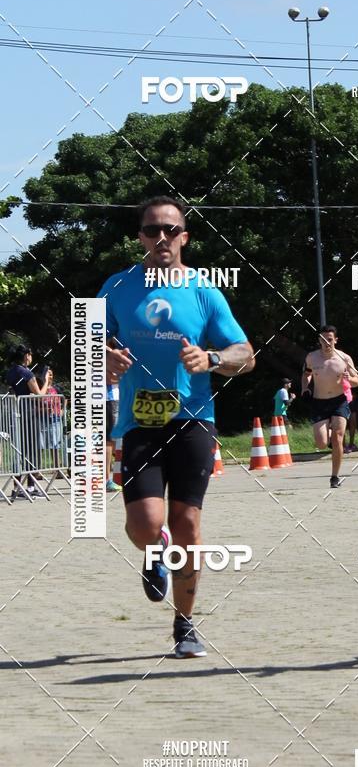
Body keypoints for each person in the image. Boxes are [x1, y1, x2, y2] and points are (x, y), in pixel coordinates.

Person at [98, 195, 255, 658]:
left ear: (185, 237)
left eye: (171, 229)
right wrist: (102, 358)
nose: (161, 238)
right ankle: (153, 551)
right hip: (139, 422)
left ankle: (184, 623)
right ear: (140, 236)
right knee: (144, 523)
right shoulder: (118, 286)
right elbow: (85, 342)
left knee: (187, 524)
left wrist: (211, 358)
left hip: (192, 419)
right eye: (152, 230)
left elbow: (244, 354)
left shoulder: (205, 291)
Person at [302, 325, 358, 488]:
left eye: (330, 339)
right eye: (324, 340)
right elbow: (306, 375)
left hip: (339, 401)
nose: (327, 343)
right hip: (319, 402)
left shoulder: (344, 358)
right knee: (321, 443)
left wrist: (349, 379)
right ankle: (329, 435)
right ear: (319, 340)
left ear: (335, 340)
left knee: (338, 437)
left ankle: (334, 477)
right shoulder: (312, 358)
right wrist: (305, 387)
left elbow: (357, 381)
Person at [6, 344, 50, 499]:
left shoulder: (11, 372)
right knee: (32, 451)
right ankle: (30, 488)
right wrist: (46, 381)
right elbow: (39, 395)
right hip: (30, 416)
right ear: (26, 356)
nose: (31, 357)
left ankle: (16, 488)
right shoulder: (26, 373)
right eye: (30, 354)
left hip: (16, 415)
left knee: (19, 452)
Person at [105, 375, 121, 492]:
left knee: (111, 440)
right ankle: (106, 480)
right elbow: (108, 378)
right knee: (109, 440)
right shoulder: (105, 357)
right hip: (109, 398)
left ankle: (116, 476)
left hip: (108, 399)